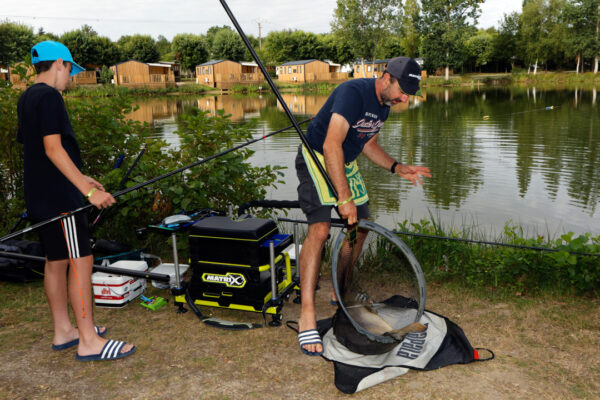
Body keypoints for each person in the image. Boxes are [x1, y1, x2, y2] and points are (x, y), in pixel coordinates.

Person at [294, 57, 432, 355]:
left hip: (344, 160)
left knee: (360, 226)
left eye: (408, 93)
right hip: (317, 156)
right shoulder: (353, 93)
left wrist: (397, 167)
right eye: (402, 90)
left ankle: (339, 289)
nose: (404, 98)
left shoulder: (384, 105)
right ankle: (306, 315)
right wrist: (344, 198)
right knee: (319, 229)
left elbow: (367, 143)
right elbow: (331, 145)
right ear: (386, 78)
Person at [17, 41, 135, 361]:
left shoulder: (27, 97)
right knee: (80, 261)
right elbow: (53, 149)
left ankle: (64, 331)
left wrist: (84, 180)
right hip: (61, 200)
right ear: (59, 64)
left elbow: (42, 153)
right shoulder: (51, 97)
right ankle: (88, 341)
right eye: (71, 70)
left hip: (41, 195)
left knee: (55, 261)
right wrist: (88, 193)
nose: (71, 78)